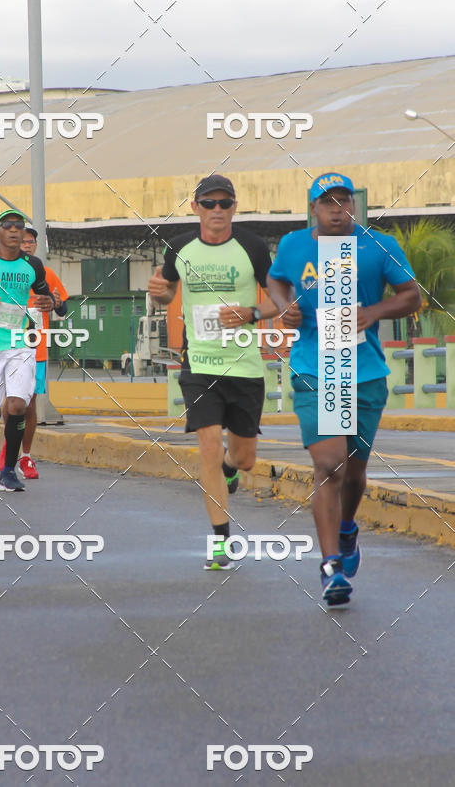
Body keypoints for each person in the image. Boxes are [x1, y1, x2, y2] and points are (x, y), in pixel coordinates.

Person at [266, 172, 421, 605]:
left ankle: (347, 528)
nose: (337, 210)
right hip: (318, 368)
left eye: (344, 201)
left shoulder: (379, 246)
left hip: (366, 371)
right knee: (330, 465)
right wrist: (285, 306)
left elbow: (412, 296)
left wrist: (374, 312)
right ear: (313, 208)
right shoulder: (296, 245)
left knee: (353, 472)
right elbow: (276, 280)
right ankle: (331, 566)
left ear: (354, 205)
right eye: (327, 202)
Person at [148, 174, 277, 570]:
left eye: (225, 203)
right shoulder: (181, 247)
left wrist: (251, 313)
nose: (217, 210)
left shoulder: (252, 247)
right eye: (209, 203)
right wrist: (160, 291)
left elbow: (281, 300)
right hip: (199, 364)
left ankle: (229, 470)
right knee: (207, 446)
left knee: (243, 458)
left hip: (245, 366)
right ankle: (220, 542)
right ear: (195, 207)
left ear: (235, 207)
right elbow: (168, 289)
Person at [0, 210, 56, 492]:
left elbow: (43, 294)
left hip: (20, 345)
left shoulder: (33, 265)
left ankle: (9, 471)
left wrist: (47, 302)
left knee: (18, 406)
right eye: (7, 226)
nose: (14, 230)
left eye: (19, 226)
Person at [0, 226, 68, 478]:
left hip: (35, 348)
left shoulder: (43, 272)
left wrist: (56, 301)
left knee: (29, 404)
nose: (26, 245)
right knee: (9, 402)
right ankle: (8, 445)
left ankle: (25, 456)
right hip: (4, 346)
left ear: (35, 246)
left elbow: (62, 308)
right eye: (23, 241)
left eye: (30, 242)